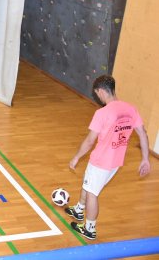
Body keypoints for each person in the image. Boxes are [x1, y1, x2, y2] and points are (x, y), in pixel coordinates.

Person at [66, 75, 151, 240]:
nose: (97, 97)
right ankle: (78, 209)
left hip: (100, 161)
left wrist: (76, 157)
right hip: (115, 162)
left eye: (97, 93)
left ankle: (89, 228)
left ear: (101, 91)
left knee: (92, 193)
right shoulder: (131, 109)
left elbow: (90, 140)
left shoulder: (102, 113)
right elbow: (142, 134)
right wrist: (145, 159)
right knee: (89, 183)